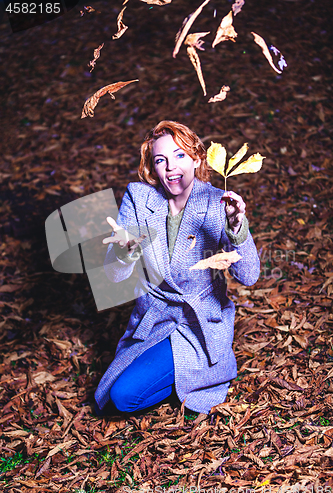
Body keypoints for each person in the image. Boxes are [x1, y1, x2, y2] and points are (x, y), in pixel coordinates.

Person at [94, 120, 260, 416]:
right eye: (161, 160)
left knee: (123, 395)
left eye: (180, 155)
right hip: (153, 321)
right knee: (115, 397)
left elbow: (249, 276)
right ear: (152, 168)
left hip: (198, 324)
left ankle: (205, 371)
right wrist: (123, 250)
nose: (171, 166)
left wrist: (237, 228)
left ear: (196, 159)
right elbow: (115, 276)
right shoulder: (139, 198)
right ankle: (183, 375)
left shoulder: (216, 202)